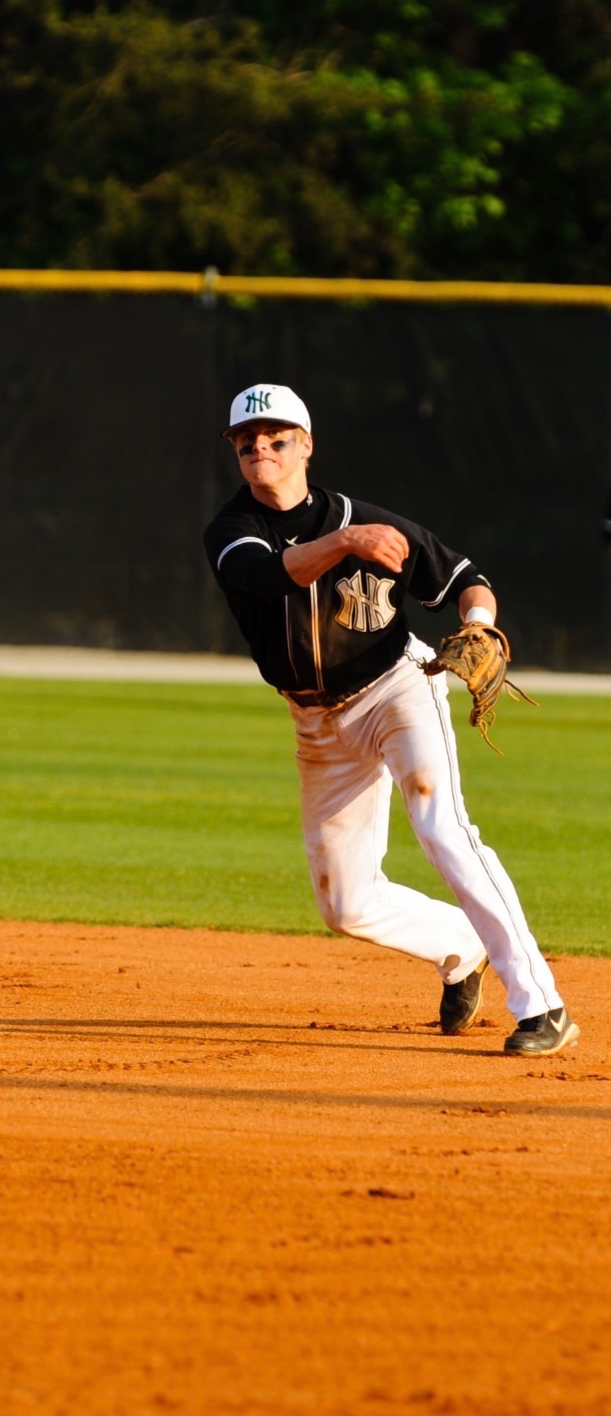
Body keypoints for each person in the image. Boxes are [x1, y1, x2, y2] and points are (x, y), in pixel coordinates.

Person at [203, 382, 578, 1057]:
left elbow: (466, 576)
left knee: (443, 828)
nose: (260, 448)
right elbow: (269, 576)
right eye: (246, 440)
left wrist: (479, 624)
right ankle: (459, 945)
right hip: (316, 720)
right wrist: (348, 541)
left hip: (396, 689)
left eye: (276, 437)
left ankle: (541, 1004)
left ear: (305, 446)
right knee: (346, 905)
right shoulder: (232, 531)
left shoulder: (367, 518)